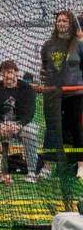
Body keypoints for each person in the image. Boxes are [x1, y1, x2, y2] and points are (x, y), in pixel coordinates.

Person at [40, 10, 83, 180]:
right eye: (59, 20)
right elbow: (44, 67)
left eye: (65, 21)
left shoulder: (78, 44)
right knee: (52, 128)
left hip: (75, 93)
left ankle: (81, 165)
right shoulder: (48, 45)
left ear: (71, 24)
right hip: (54, 93)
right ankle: (48, 166)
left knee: (76, 128)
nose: (62, 23)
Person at [0, 60, 41, 183]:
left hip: (21, 125)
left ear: (16, 73)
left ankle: (31, 172)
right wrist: (0, 124)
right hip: (2, 126)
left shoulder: (27, 89)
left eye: (10, 72)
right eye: (3, 74)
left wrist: (19, 124)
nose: (7, 76)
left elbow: (29, 113)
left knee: (30, 132)